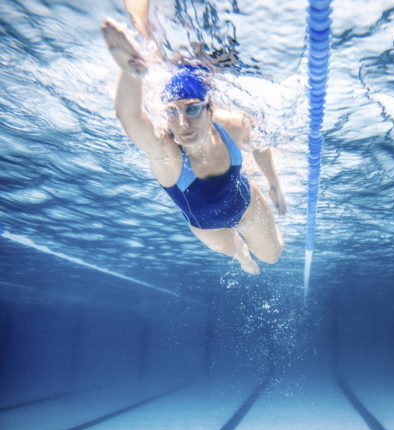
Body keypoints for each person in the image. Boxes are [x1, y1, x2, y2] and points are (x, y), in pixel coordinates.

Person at [100, 11, 286, 275]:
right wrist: (130, 70)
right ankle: (241, 255)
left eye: (192, 110)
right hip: (209, 228)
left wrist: (274, 183)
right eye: (172, 112)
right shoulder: (168, 155)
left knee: (272, 256)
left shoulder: (231, 125)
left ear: (210, 110)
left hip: (247, 204)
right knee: (236, 252)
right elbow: (129, 117)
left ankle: (250, 246)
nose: (182, 124)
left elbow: (258, 141)